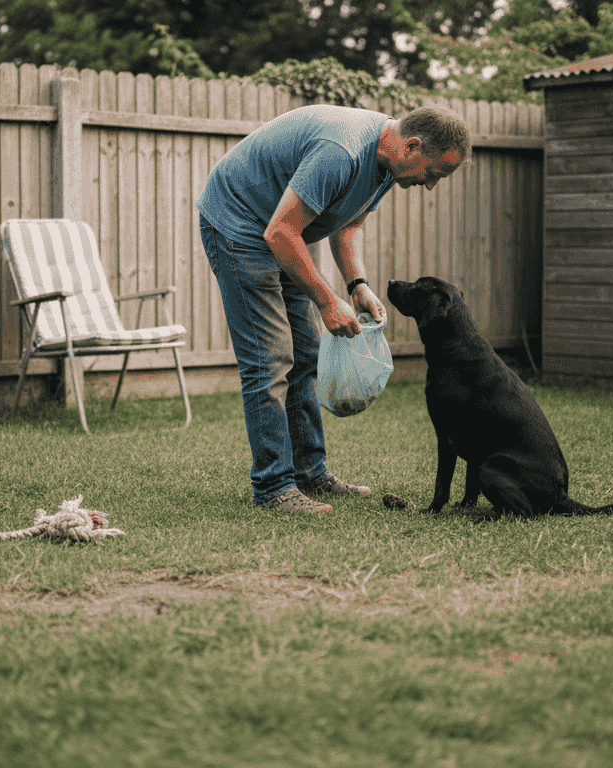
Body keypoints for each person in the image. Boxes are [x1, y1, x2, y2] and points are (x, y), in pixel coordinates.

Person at [196, 104, 471, 513]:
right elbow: (280, 231)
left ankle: (310, 472)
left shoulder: (386, 162)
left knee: (305, 356)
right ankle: (273, 489)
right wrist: (326, 301)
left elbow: (349, 222)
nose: (429, 186)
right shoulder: (341, 151)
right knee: (269, 361)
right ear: (411, 147)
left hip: (285, 232)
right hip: (241, 227)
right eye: (433, 173)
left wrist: (356, 285)